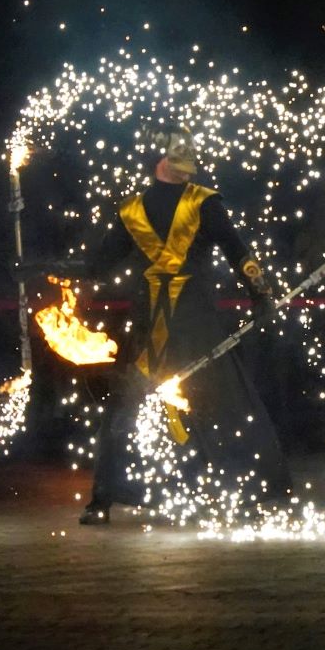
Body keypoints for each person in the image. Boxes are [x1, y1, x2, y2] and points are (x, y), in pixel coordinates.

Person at [75, 126, 290, 525]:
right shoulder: (134, 211)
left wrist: (260, 290)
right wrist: (47, 271)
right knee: (127, 409)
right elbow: (96, 266)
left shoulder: (198, 203)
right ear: (160, 161)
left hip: (194, 326)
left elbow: (234, 248)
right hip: (158, 329)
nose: (189, 165)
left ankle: (244, 493)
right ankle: (104, 497)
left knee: (216, 406)